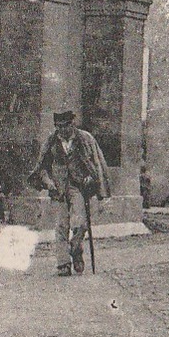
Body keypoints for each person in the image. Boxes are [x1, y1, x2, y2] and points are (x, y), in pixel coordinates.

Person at [30, 109, 111, 276]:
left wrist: (91, 177)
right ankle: (63, 264)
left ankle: (75, 248)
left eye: (65, 126)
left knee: (80, 224)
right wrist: (48, 182)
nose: (61, 131)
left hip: (77, 188)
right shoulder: (52, 140)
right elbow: (43, 167)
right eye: (58, 127)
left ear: (72, 124)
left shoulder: (85, 139)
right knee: (61, 226)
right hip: (57, 189)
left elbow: (96, 163)